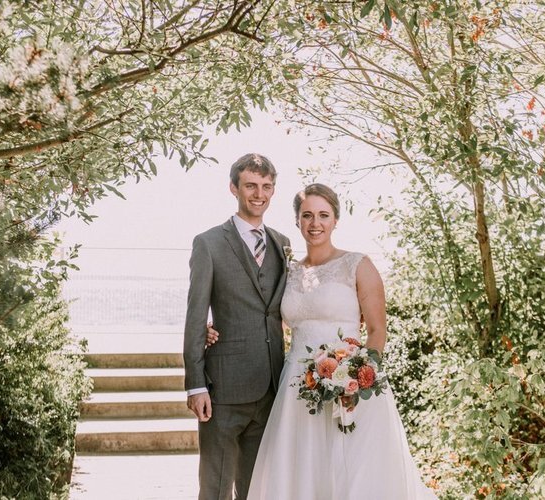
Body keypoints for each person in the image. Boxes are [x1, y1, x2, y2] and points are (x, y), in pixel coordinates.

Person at [210, 183, 437, 499]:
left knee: (351, 472)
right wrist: (214, 327)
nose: (315, 223)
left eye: (323, 215)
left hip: (349, 387)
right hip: (295, 387)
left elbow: (377, 330)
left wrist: (356, 378)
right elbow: (258, 312)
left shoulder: (358, 264)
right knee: (300, 472)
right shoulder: (288, 271)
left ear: (335, 220)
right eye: (307, 216)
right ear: (297, 221)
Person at [183, 153, 292, 500]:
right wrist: (195, 385)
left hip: (273, 387)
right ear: (234, 188)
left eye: (266, 187)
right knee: (215, 490)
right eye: (250, 186)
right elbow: (195, 315)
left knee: (257, 489)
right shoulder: (209, 243)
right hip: (223, 391)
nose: (258, 194)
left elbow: (286, 307)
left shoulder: (282, 243)